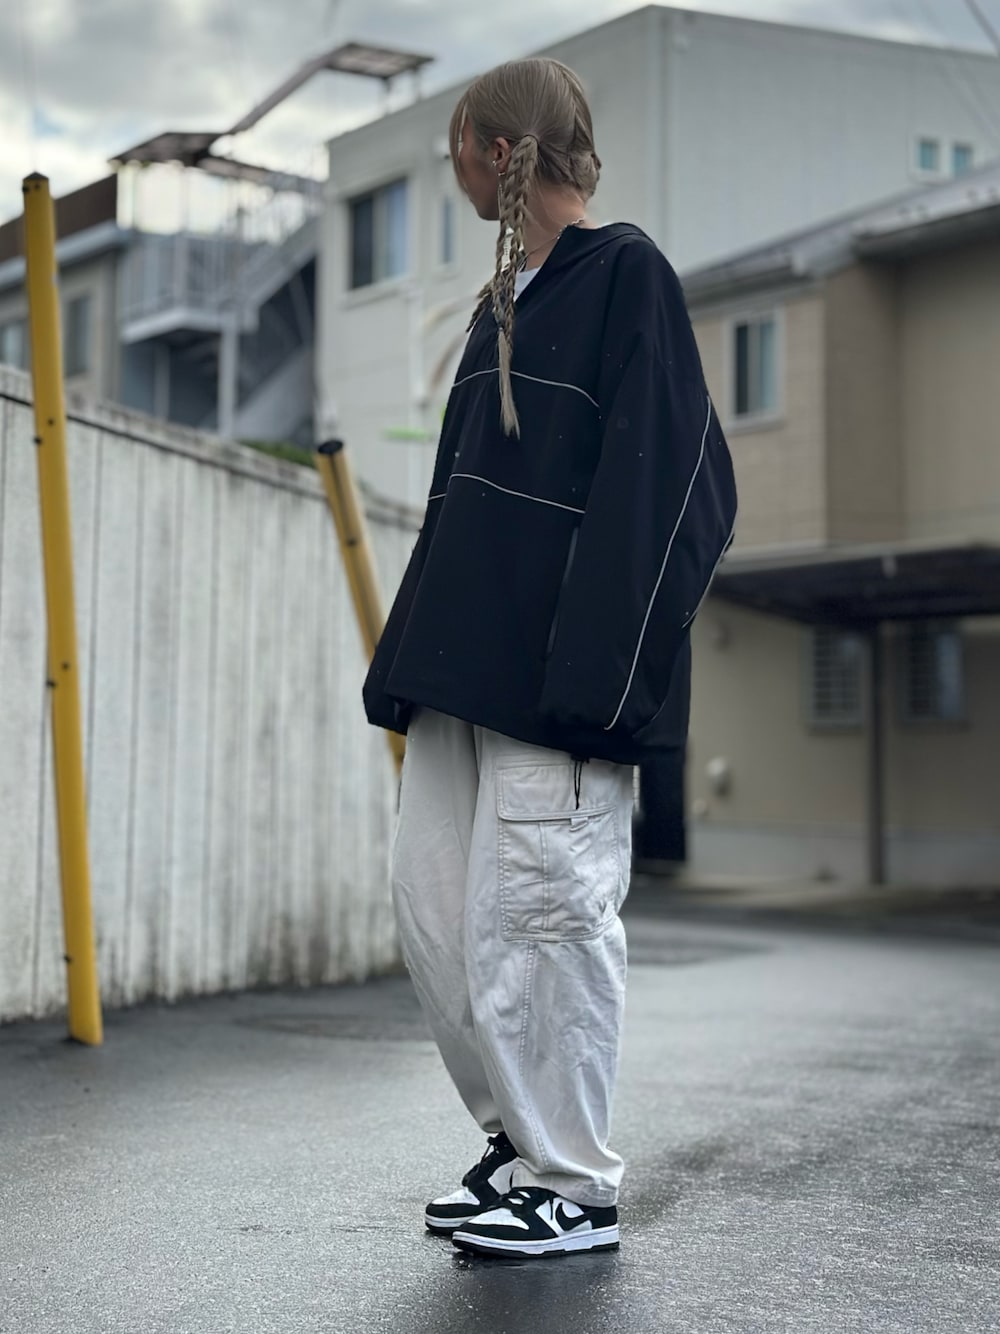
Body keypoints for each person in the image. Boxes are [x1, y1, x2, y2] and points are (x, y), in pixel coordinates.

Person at [363, 56, 737, 1260]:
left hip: (557, 688)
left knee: (539, 917)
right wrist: (403, 668)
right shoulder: (502, 303)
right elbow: (462, 505)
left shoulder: (624, 274)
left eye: (456, 149)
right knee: (436, 913)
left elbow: (683, 486)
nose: (454, 170)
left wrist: (600, 678)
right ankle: (516, 1143)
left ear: (493, 148)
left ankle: (571, 1183)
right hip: (463, 679)